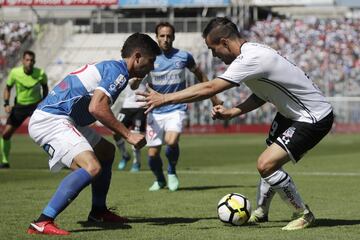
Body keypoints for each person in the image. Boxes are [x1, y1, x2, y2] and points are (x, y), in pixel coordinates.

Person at [137, 17, 334, 230]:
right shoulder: (252, 52)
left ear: (224, 42)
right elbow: (261, 95)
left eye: (213, 49)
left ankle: (302, 213)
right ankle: (260, 212)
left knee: (265, 164)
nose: (214, 55)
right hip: (291, 114)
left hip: (313, 117)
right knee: (270, 164)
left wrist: (165, 98)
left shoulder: (250, 59)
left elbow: (209, 88)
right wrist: (232, 112)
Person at [27, 33, 161, 235]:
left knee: (106, 152)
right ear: (138, 56)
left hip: (64, 118)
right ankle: (43, 221)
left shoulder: (114, 68)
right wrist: (129, 135)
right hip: (51, 120)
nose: (152, 67)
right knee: (92, 167)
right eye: (151, 61)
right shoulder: (119, 72)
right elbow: (96, 107)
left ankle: (98, 211)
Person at [138, 22, 222, 192]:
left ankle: (171, 171)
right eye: (162, 36)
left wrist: (214, 98)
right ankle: (160, 180)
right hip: (155, 110)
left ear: (174, 37)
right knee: (152, 155)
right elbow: (135, 80)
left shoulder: (184, 57)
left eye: (169, 36)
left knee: (171, 140)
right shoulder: (150, 58)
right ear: (157, 37)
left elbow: (201, 75)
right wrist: (134, 82)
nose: (166, 39)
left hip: (176, 107)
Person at [1, 50, 48, 169]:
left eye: (32, 60)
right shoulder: (15, 73)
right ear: (22, 61)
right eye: (27, 60)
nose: (29, 62)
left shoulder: (41, 73)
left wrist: (44, 102)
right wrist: (6, 104)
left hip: (35, 107)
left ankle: (60, 160)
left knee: (48, 133)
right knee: (6, 134)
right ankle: (5, 161)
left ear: (34, 62)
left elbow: (45, 88)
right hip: (19, 107)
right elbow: (7, 88)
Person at [114, 80, 147, 172]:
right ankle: (125, 155)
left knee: (136, 136)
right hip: (126, 105)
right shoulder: (125, 70)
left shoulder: (146, 69)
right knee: (115, 132)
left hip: (140, 106)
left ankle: (136, 162)